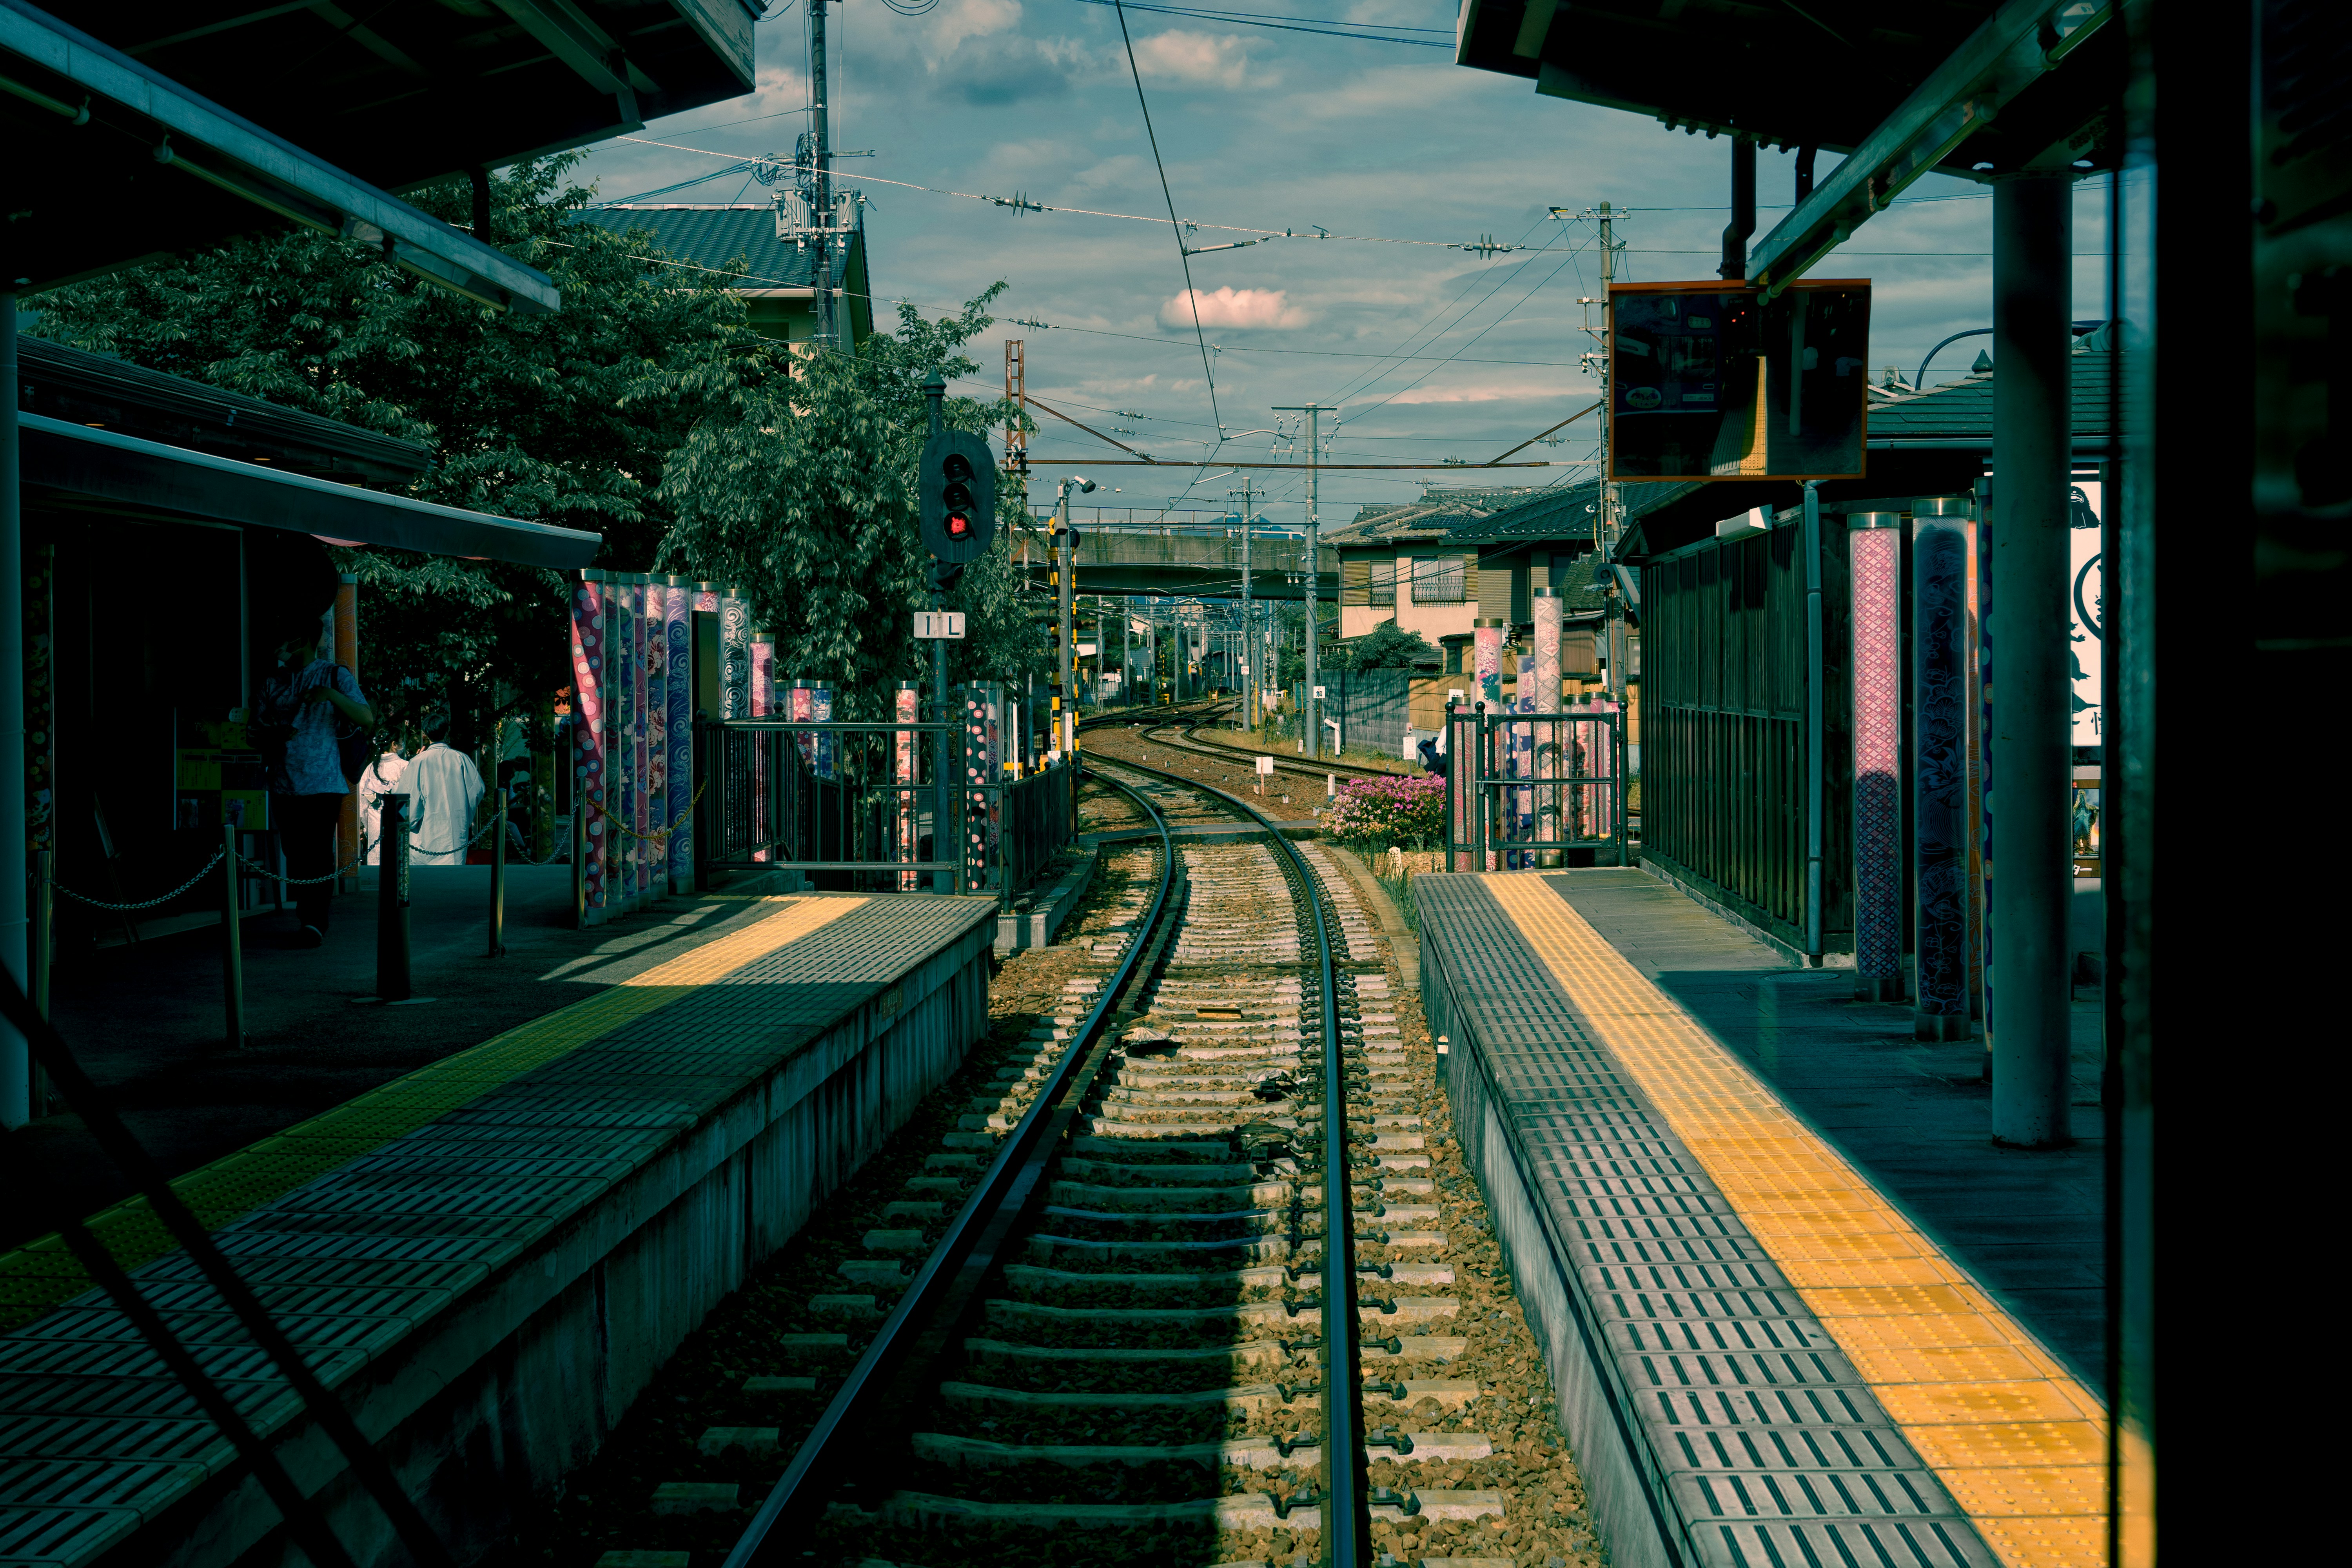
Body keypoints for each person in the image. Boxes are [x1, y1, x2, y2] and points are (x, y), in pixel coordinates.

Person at [252, 627, 377, 947]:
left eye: (288, 638)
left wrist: (330, 695)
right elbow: (255, 730)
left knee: (318, 854)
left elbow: (366, 717)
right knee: (295, 854)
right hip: (283, 782)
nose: (281, 646)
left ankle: (314, 921)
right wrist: (274, 734)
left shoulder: (333, 675)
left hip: (324, 782)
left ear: (304, 639)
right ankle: (308, 916)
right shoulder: (272, 681)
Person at [403, 711, 485, 866]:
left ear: (425, 734)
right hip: (455, 834)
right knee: (452, 877)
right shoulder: (461, 759)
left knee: (426, 878)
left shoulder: (418, 762)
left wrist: (412, 822)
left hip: (425, 833)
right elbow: (477, 790)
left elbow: (406, 798)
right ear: (447, 732)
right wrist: (464, 815)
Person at [360, 737, 409, 865]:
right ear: (394, 744)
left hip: (375, 823)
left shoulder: (371, 767)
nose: (403, 744)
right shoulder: (405, 766)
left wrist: (366, 826)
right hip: (400, 821)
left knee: (377, 863)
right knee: (399, 864)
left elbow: (363, 803)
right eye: (401, 741)